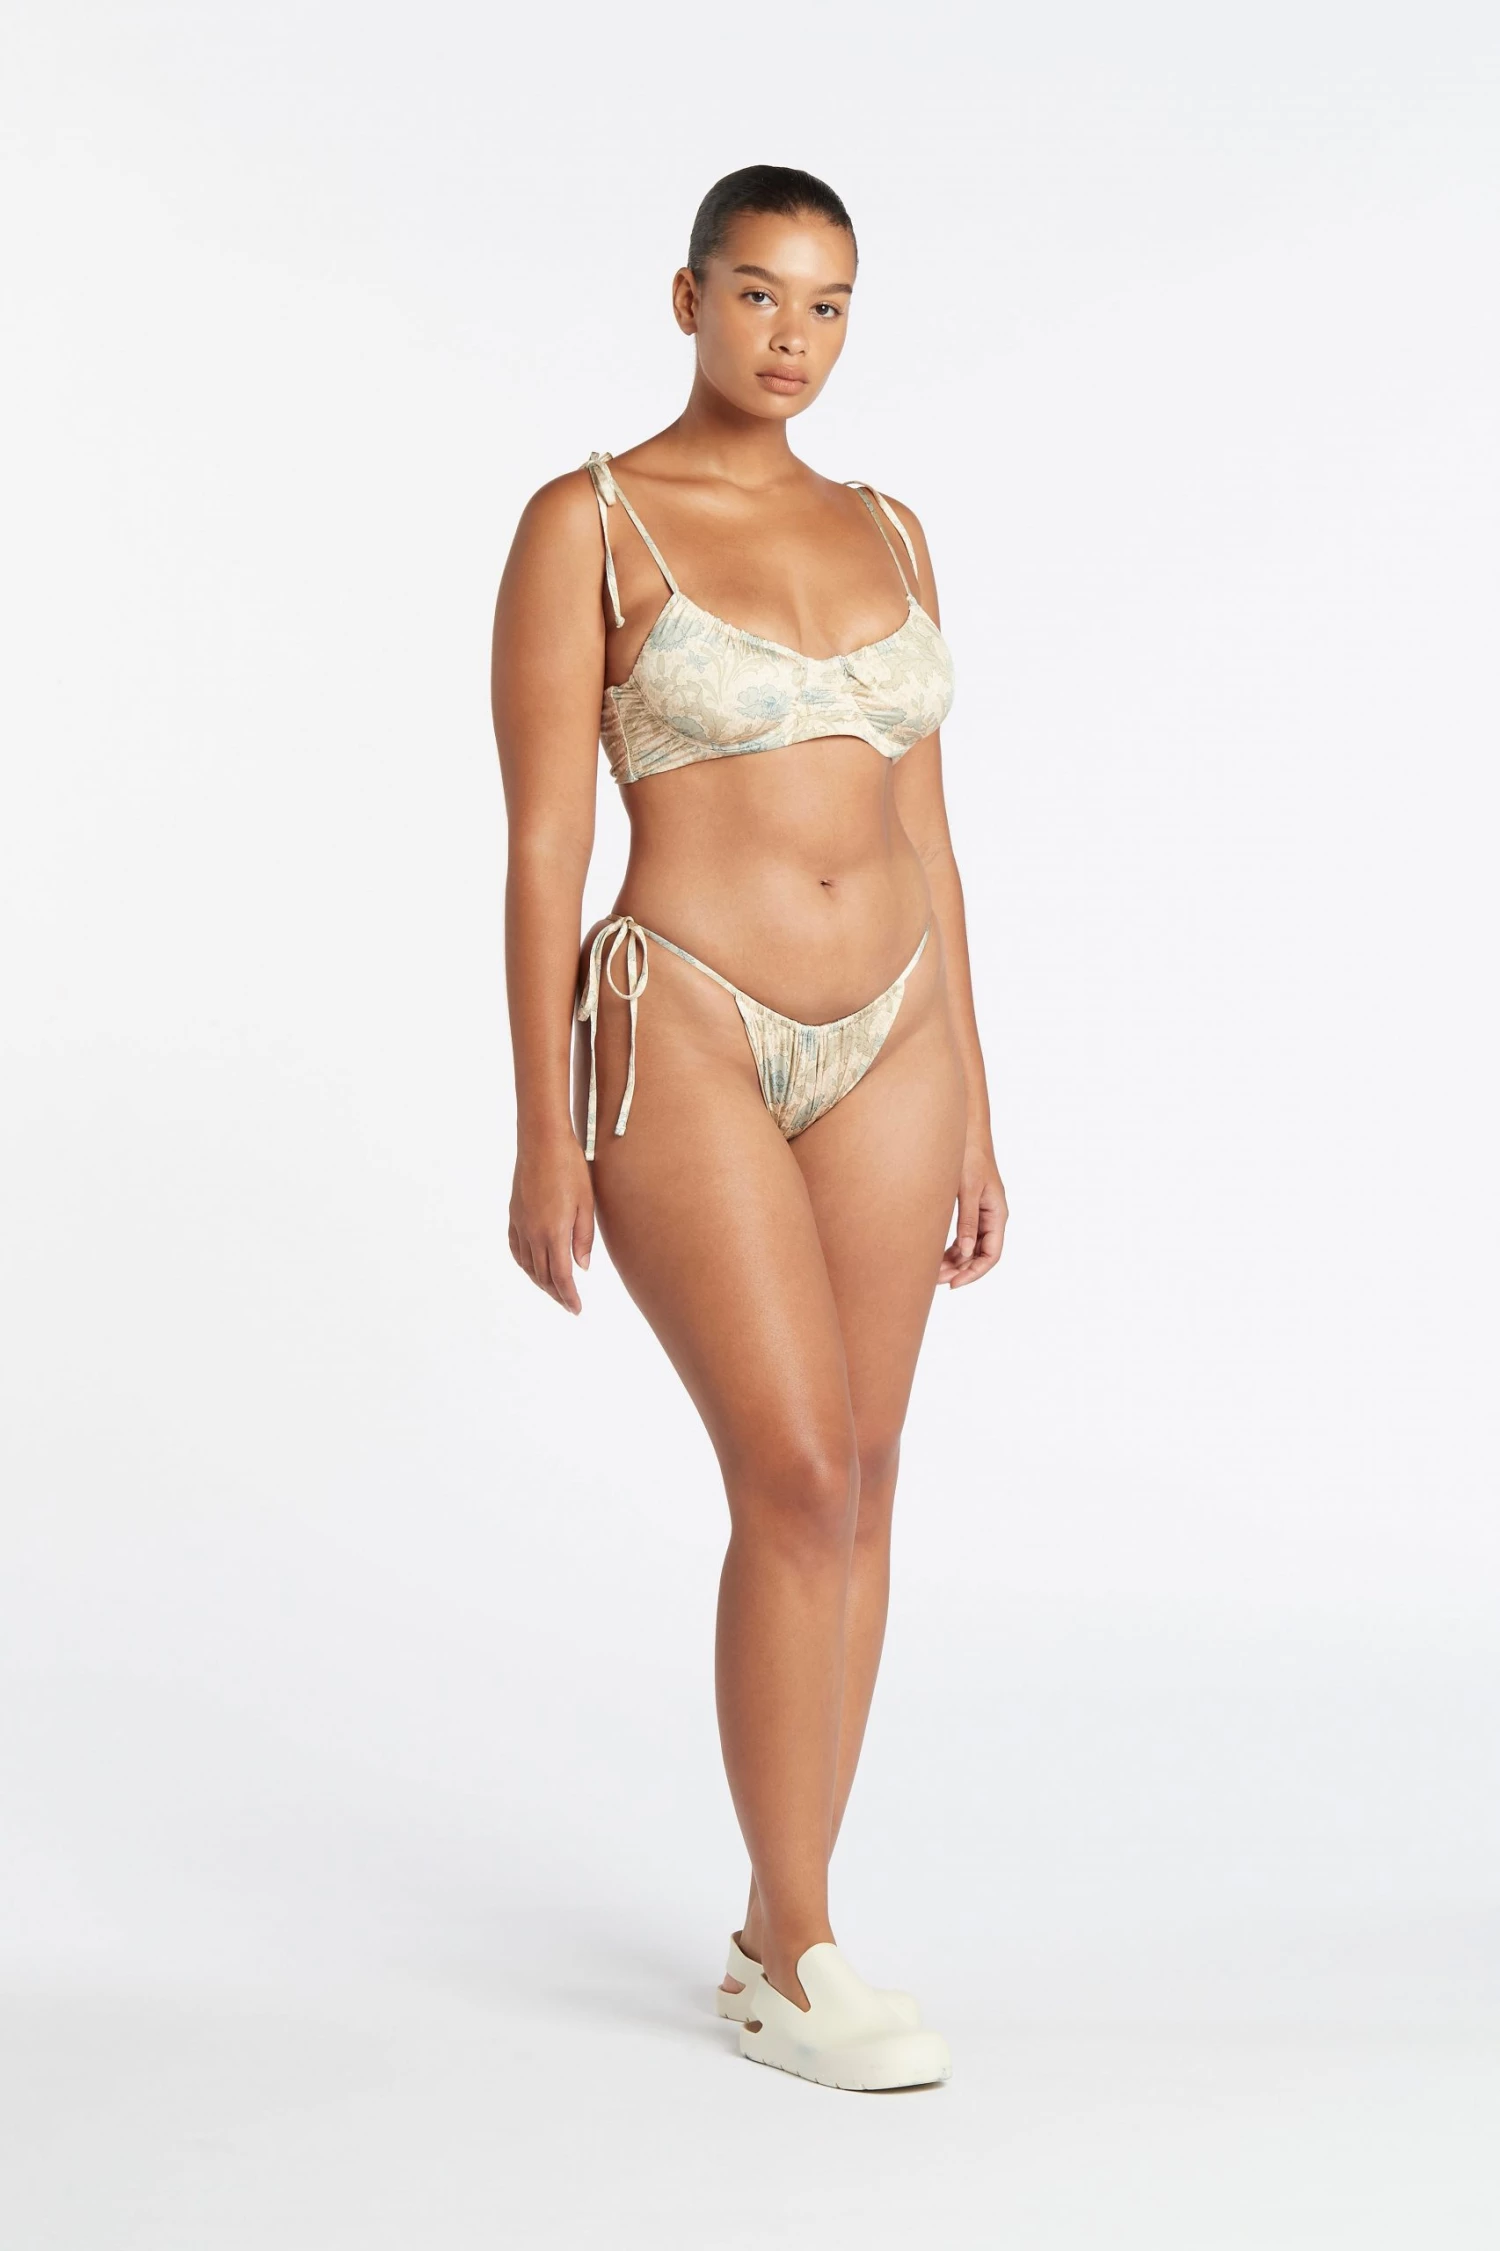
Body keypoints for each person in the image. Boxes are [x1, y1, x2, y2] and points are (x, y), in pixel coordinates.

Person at [491, 164, 1007, 2092]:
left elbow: (929, 834)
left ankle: (786, 1920)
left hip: (900, 1033)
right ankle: (798, 1955)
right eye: (761, 294)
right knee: (789, 1473)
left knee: (862, 1476)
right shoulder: (590, 521)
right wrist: (541, 1127)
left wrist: (980, 1108)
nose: (794, 336)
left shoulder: (892, 527)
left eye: (830, 304)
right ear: (688, 297)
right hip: (684, 1020)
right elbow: (544, 845)